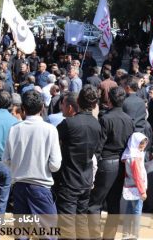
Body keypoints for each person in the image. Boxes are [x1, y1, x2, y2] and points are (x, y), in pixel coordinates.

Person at [3, 90, 61, 231]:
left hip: (19, 186)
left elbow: (5, 160)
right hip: (41, 186)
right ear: (42, 107)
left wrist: (19, 167)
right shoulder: (50, 130)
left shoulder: (14, 129)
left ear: (23, 108)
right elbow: (55, 165)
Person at [88, 86, 134, 240]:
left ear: (109, 100)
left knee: (95, 204)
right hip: (121, 164)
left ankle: (94, 237)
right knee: (113, 205)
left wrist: (93, 165)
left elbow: (98, 146)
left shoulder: (105, 119)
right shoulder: (129, 120)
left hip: (106, 163)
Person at [56, 85, 101, 240]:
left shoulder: (69, 123)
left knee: (67, 224)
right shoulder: (96, 124)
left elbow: (52, 142)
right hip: (86, 179)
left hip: (69, 180)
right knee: (81, 222)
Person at [120, 132, 148, 240]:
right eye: (141, 145)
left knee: (128, 210)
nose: (143, 147)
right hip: (136, 188)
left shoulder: (128, 154)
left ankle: (126, 234)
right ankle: (135, 235)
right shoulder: (135, 157)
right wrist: (142, 191)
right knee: (137, 211)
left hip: (128, 186)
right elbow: (137, 176)